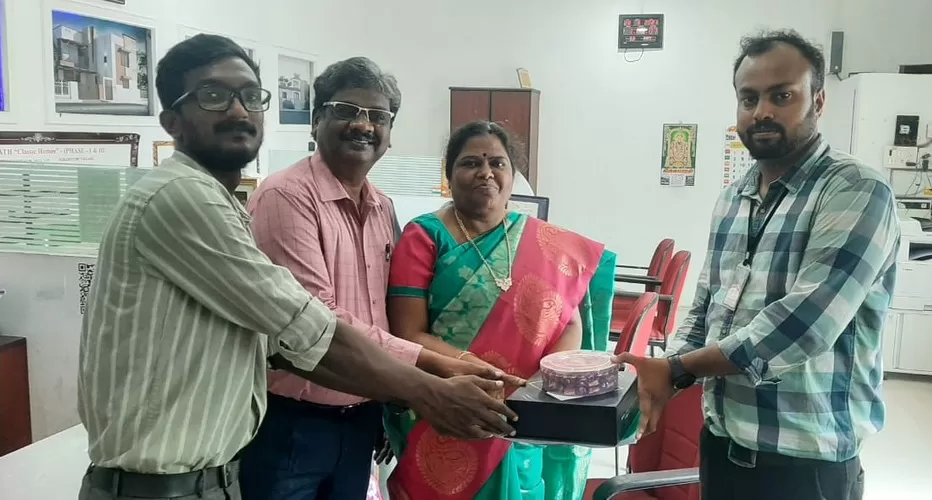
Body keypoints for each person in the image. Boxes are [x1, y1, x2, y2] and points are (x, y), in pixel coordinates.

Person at [77, 35, 518, 500]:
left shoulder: (381, 207)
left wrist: (397, 395)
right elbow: (306, 330)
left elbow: (370, 319)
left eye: (250, 96)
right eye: (213, 96)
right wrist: (429, 386)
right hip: (268, 438)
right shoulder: (203, 197)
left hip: (326, 429)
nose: (238, 111)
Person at [616, 30, 900, 500]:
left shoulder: (855, 190)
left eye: (781, 96)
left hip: (804, 465)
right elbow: (706, 307)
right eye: (749, 98)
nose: (761, 111)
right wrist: (664, 371)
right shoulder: (734, 198)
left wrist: (678, 368)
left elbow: (803, 326)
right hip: (721, 447)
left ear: (818, 100)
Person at [240, 57, 518, 500]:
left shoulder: (382, 207)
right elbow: (317, 323)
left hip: (363, 417)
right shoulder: (286, 197)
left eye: (378, 116)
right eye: (346, 110)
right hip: (294, 425)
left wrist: (390, 398)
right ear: (316, 121)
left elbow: (384, 316)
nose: (362, 125)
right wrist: (439, 373)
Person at [383, 120, 617, 500]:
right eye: (470, 162)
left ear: (513, 176)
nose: (486, 172)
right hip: (449, 405)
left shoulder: (542, 241)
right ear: (449, 175)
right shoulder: (425, 235)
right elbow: (407, 334)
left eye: (497, 163)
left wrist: (538, 389)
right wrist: (477, 372)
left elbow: (569, 321)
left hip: (522, 415)